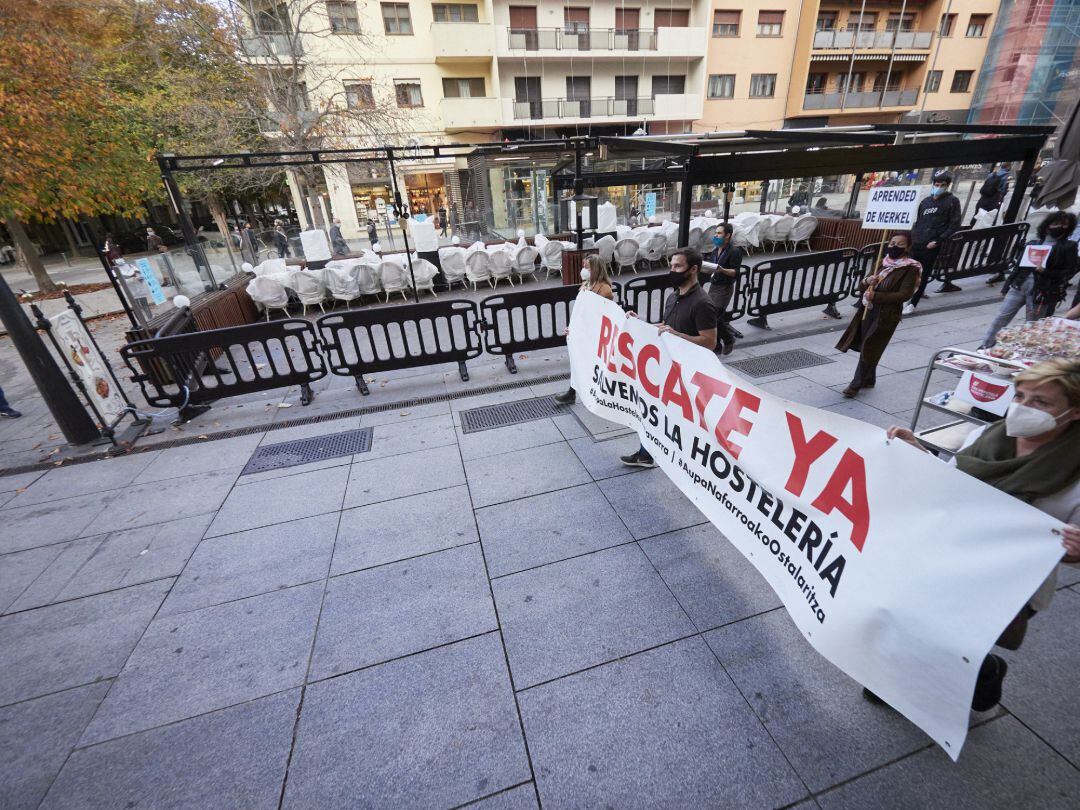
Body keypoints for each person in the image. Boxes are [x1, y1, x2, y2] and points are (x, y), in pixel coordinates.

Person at [883, 358, 1080, 712]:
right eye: (1020, 396)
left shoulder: (1075, 475)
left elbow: (1068, 549)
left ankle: (984, 673)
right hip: (950, 554)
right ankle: (899, 680)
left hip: (1010, 583)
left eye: (1041, 402)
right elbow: (955, 484)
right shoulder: (988, 436)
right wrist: (919, 452)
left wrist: (1076, 551)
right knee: (918, 622)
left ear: (1074, 412)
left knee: (957, 641)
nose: (1022, 408)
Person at [621, 248, 718, 468]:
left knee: (681, 421)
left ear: (693, 269)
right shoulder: (674, 296)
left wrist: (679, 336)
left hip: (688, 374)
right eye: (671, 266)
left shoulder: (703, 303)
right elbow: (667, 328)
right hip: (669, 368)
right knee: (655, 412)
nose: (672, 270)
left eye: (678, 266)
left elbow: (710, 342)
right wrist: (640, 323)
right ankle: (646, 454)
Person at [836, 231, 922, 398]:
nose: (894, 247)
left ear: (908, 247)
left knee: (871, 344)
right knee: (870, 344)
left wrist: (877, 295)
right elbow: (863, 285)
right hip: (869, 309)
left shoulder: (910, 268)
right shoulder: (881, 263)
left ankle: (856, 384)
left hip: (887, 314)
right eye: (891, 243)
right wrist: (867, 282)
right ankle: (869, 378)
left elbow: (904, 294)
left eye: (900, 244)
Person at [979, 211, 1079, 348]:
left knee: (1031, 324)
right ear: (1048, 224)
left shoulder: (1068, 246)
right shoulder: (1034, 243)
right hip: (1019, 286)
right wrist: (1007, 285)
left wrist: (1047, 272)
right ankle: (986, 345)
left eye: (1063, 225)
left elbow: (1069, 271)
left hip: (1041, 291)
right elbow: (1018, 266)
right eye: (1055, 223)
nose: (1058, 227)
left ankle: (1025, 350)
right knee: (1001, 318)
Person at [555, 255, 616, 405]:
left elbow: (603, 316)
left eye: (587, 267)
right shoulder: (586, 285)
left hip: (594, 334)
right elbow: (581, 311)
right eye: (584, 266)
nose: (583, 270)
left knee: (592, 364)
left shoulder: (604, 289)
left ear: (596, 268)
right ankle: (572, 392)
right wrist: (573, 328)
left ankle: (596, 393)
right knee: (578, 361)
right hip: (584, 332)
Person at [903, 170, 962, 314]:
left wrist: (938, 240)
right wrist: (912, 237)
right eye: (937, 184)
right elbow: (919, 221)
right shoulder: (926, 201)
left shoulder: (952, 201)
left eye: (942, 185)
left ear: (947, 186)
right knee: (910, 272)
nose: (939, 187)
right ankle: (906, 298)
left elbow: (954, 224)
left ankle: (913, 302)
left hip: (931, 244)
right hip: (917, 242)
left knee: (923, 274)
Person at [707, 223, 744, 356]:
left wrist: (722, 270)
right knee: (710, 315)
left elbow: (736, 272)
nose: (716, 236)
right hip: (714, 286)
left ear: (727, 235)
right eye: (715, 233)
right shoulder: (714, 251)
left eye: (719, 233)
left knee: (714, 317)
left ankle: (728, 339)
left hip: (725, 288)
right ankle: (716, 345)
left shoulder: (734, 251)